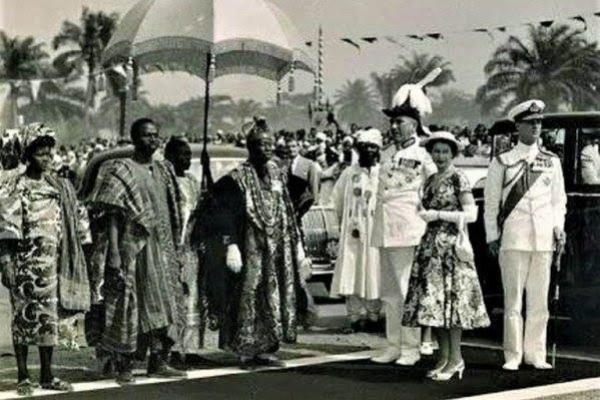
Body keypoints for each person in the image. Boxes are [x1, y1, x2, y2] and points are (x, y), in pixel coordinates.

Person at [88, 118, 186, 384]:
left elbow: (174, 209)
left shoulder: (164, 169)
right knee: (129, 305)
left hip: (161, 248)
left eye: (156, 135)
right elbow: (111, 217)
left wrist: (176, 248)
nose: (152, 140)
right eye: (146, 135)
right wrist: (116, 254)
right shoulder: (121, 170)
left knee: (164, 305)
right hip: (133, 249)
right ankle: (124, 364)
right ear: (134, 138)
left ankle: (158, 360)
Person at [208, 119, 311, 367]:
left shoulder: (278, 175)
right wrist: (231, 245)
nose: (266, 149)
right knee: (249, 294)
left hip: (277, 249)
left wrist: (298, 247)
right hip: (249, 247)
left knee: (274, 295)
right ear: (250, 147)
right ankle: (245, 348)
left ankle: (268, 348)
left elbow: (289, 209)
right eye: (261, 145)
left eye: (269, 144)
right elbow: (224, 214)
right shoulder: (237, 179)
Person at [0, 123, 91, 396]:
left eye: (49, 154)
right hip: (25, 263)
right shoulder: (15, 186)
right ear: (28, 155)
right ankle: (23, 376)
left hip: (52, 264)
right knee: (23, 319)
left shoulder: (58, 186)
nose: (47, 159)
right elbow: (6, 227)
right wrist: (6, 262)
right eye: (41, 154)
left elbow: (74, 221)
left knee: (49, 320)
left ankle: (48, 374)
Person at [484, 100, 567, 371]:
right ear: (517, 126)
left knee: (539, 301)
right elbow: (491, 202)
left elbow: (558, 201)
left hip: (543, 239)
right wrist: (492, 236)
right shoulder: (503, 161)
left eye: (539, 123)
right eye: (530, 123)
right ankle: (513, 354)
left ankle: (536, 354)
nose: (536, 127)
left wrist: (558, 226)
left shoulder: (551, 161)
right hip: (513, 238)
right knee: (513, 301)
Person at [402, 131, 490, 381]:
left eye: (444, 151)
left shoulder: (458, 178)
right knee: (435, 306)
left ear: (453, 154)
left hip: (451, 247)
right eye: (436, 151)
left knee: (453, 305)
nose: (440, 156)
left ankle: (456, 359)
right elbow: (424, 208)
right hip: (431, 247)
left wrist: (439, 215)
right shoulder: (430, 180)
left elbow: (472, 214)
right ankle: (443, 358)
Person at [370, 71, 438, 365]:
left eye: (399, 121)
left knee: (406, 289)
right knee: (389, 292)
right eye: (393, 121)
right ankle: (393, 344)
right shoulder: (386, 154)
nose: (394, 126)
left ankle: (410, 348)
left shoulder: (424, 156)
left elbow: (435, 189)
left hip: (409, 229)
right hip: (385, 229)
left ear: (415, 124)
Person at [330, 129, 383, 333]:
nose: (368, 151)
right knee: (351, 270)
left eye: (372, 147)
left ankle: (373, 315)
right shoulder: (349, 173)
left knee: (373, 270)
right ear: (358, 149)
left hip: (375, 231)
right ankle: (354, 316)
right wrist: (341, 226)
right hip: (352, 232)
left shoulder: (382, 173)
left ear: (377, 150)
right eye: (364, 147)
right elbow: (336, 201)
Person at [164, 137, 207, 366]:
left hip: (190, 247)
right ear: (169, 157)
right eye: (182, 155)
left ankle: (188, 349)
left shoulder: (192, 181)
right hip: (170, 248)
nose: (187, 159)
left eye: (189, 155)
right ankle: (170, 349)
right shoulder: (164, 181)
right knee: (174, 299)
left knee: (192, 299)